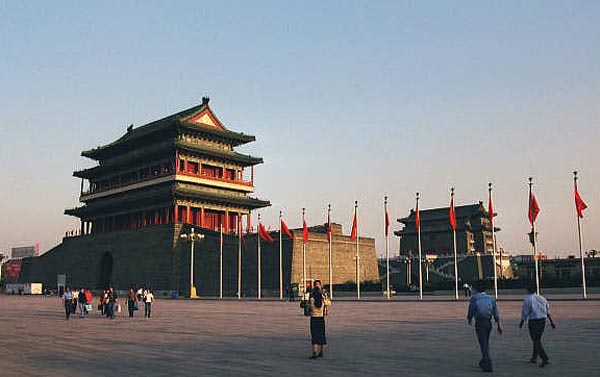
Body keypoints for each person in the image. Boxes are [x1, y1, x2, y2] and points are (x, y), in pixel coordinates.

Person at [467, 280, 502, 373]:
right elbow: (496, 312)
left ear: (476, 289)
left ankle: (488, 365)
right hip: (488, 322)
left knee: (483, 343)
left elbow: (471, 309)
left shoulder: (474, 298)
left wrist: (469, 318)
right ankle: (483, 361)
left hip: (480, 322)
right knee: (485, 342)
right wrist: (499, 324)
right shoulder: (490, 298)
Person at [519, 284, 555, 368]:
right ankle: (534, 357)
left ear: (528, 290)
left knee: (535, 340)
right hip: (542, 321)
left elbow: (525, 312)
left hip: (533, 321)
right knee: (537, 339)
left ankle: (544, 358)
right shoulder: (542, 298)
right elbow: (548, 311)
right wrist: (552, 322)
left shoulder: (527, 299)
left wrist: (522, 322)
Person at [308, 280, 331, 359]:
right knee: (321, 335)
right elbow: (328, 303)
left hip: (313, 317)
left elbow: (307, 306)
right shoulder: (323, 296)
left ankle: (314, 353)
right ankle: (321, 352)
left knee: (314, 335)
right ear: (320, 286)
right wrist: (324, 295)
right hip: (321, 317)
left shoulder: (311, 296)